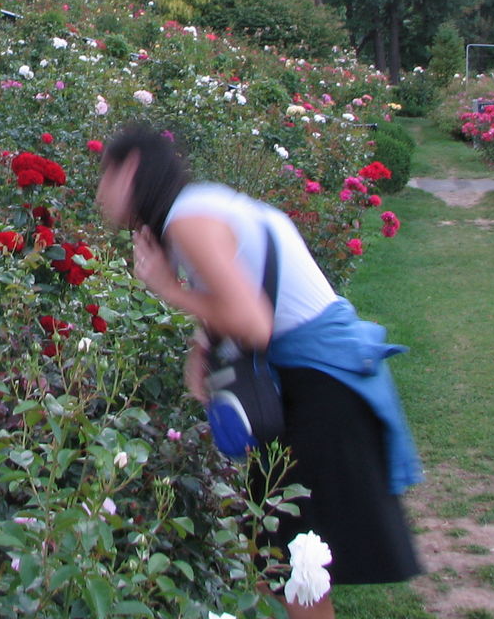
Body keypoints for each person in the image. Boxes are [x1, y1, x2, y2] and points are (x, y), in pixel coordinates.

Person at [95, 126, 421, 619]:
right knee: (284, 558)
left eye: (105, 175)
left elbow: (254, 323)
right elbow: (251, 290)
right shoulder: (200, 205)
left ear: (132, 170)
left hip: (322, 385)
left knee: (295, 567)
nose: (99, 192)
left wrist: (168, 288)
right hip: (319, 377)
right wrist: (203, 340)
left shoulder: (188, 221)